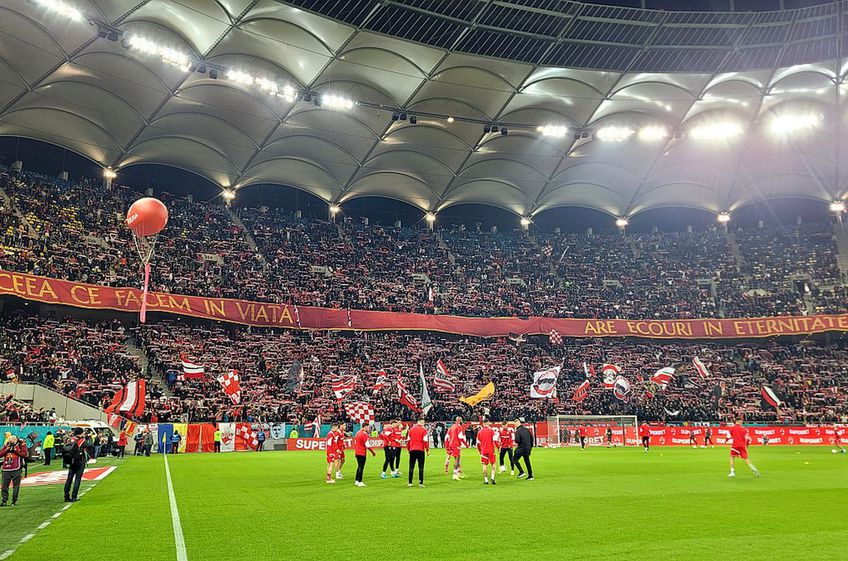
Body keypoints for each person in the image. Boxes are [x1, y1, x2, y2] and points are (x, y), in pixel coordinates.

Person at [0, 435, 28, 506]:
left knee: (16, 486)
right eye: (10, 441)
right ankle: (4, 501)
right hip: (6, 468)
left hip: (16, 468)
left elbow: (25, 454)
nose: (11, 443)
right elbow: (0, 454)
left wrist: (16, 450)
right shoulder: (7, 444)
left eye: (12, 442)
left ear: (16, 441)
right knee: (4, 486)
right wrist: (6, 449)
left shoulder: (21, 444)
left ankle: (14, 501)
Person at [64, 428, 90, 502]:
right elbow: (90, 445)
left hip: (71, 461)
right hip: (79, 461)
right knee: (77, 479)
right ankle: (74, 496)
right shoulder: (81, 441)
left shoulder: (70, 439)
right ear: (81, 433)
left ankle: (66, 496)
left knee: (69, 479)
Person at [406, 418, 429, 488]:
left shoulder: (411, 429)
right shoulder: (424, 430)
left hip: (412, 450)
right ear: (421, 422)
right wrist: (427, 450)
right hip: (420, 450)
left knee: (411, 467)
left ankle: (410, 483)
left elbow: (408, 441)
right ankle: (420, 483)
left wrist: (408, 450)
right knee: (421, 467)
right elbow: (425, 441)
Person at [353, 422, 376, 487]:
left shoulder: (358, 432)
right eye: (368, 427)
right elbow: (367, 444)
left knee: (359, 466)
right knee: (361, 467)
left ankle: (357, 480)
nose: (369, 429)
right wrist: (373, 452)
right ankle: (360, 481)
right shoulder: (364, 434)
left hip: (357, 452)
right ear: (365, 427)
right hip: (362, 452)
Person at [477, 420, 497, 485]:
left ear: (483, 424)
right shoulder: (491, 431)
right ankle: (492, 477)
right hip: (491, 450)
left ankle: (486, 480)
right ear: (488, 423)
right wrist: (498, 447)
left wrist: (480, 451)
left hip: (483, 450)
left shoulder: (480, 432)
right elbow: (495, 440)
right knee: (493, 464)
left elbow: (478, 443)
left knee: (484, 465)